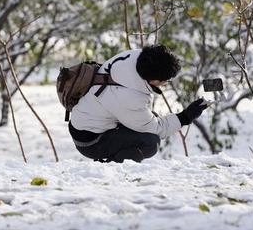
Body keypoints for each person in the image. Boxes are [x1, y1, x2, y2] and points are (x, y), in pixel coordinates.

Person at [69, 45, 208, 163]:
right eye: (167, 80)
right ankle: (111, 167)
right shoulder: (129, 99)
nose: (167, 83)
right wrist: (186, 116)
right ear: (154, 80)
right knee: (150, 142)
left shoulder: (135, 58)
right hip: (90, 141)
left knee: (150, 117)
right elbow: (157, 129)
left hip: (87, 119)